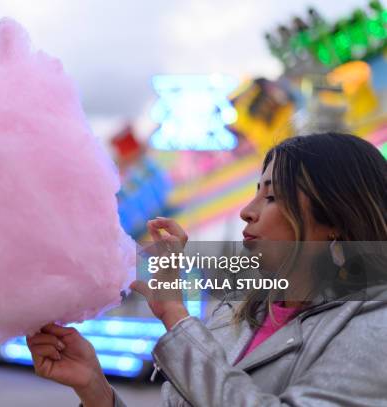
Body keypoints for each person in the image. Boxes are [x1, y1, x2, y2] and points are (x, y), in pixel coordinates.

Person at [26, 132, 387, 406]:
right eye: (255, 192)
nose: (247, 210)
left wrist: (176, 318)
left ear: (335, 219)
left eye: (272, 196)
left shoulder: (373, 326)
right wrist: (95, 388)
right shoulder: (234, 318)